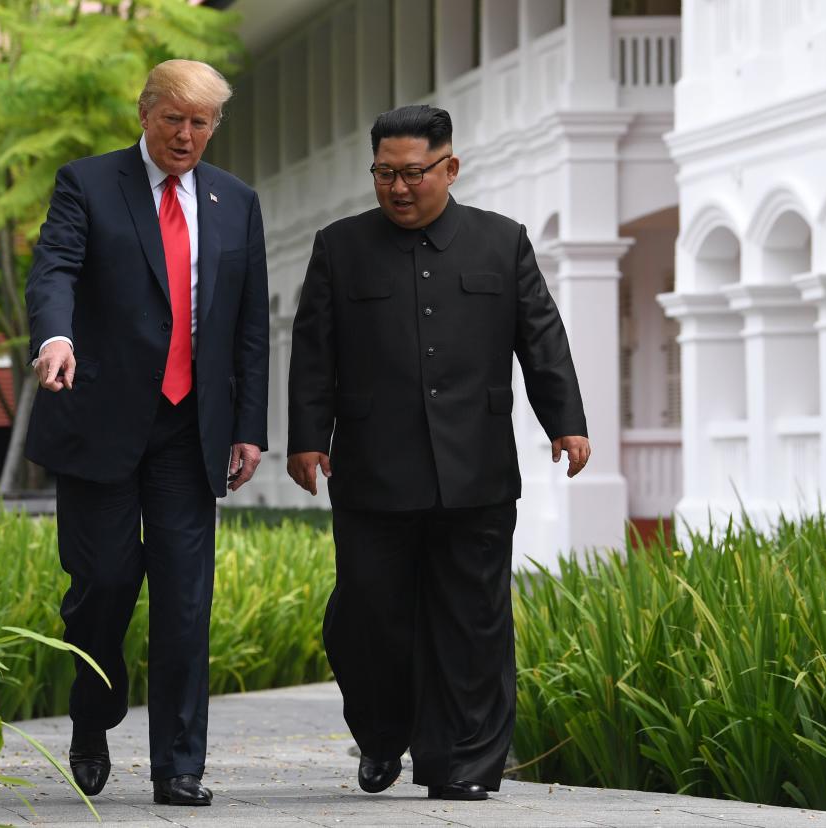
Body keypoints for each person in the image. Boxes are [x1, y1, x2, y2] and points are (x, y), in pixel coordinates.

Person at [286, 104, 590, 801]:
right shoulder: (339, 246)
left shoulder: (501, 242)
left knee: (474, 622)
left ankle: (465, 766)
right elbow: (313, 352)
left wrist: (564, 420)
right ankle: (380, 731)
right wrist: (308, 438)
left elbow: (541, 337)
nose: (399, 187)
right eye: (385, 174)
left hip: (475, 466)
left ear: (450, 167)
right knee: (367, 617)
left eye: (414, 173)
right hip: (371, 468)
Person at [24, 59, 269, 807]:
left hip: (191, 426)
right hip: (100, 417)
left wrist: (249, 427)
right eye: (175, 120)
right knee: (101, 583)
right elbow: (54, 269)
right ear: (146, 112)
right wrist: (55, 338)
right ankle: (94, 717)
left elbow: (251, 324)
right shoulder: (88, 184)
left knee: (186, 598)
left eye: (201, 123)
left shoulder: (237, 201)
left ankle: (179, 767)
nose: (187, 135)